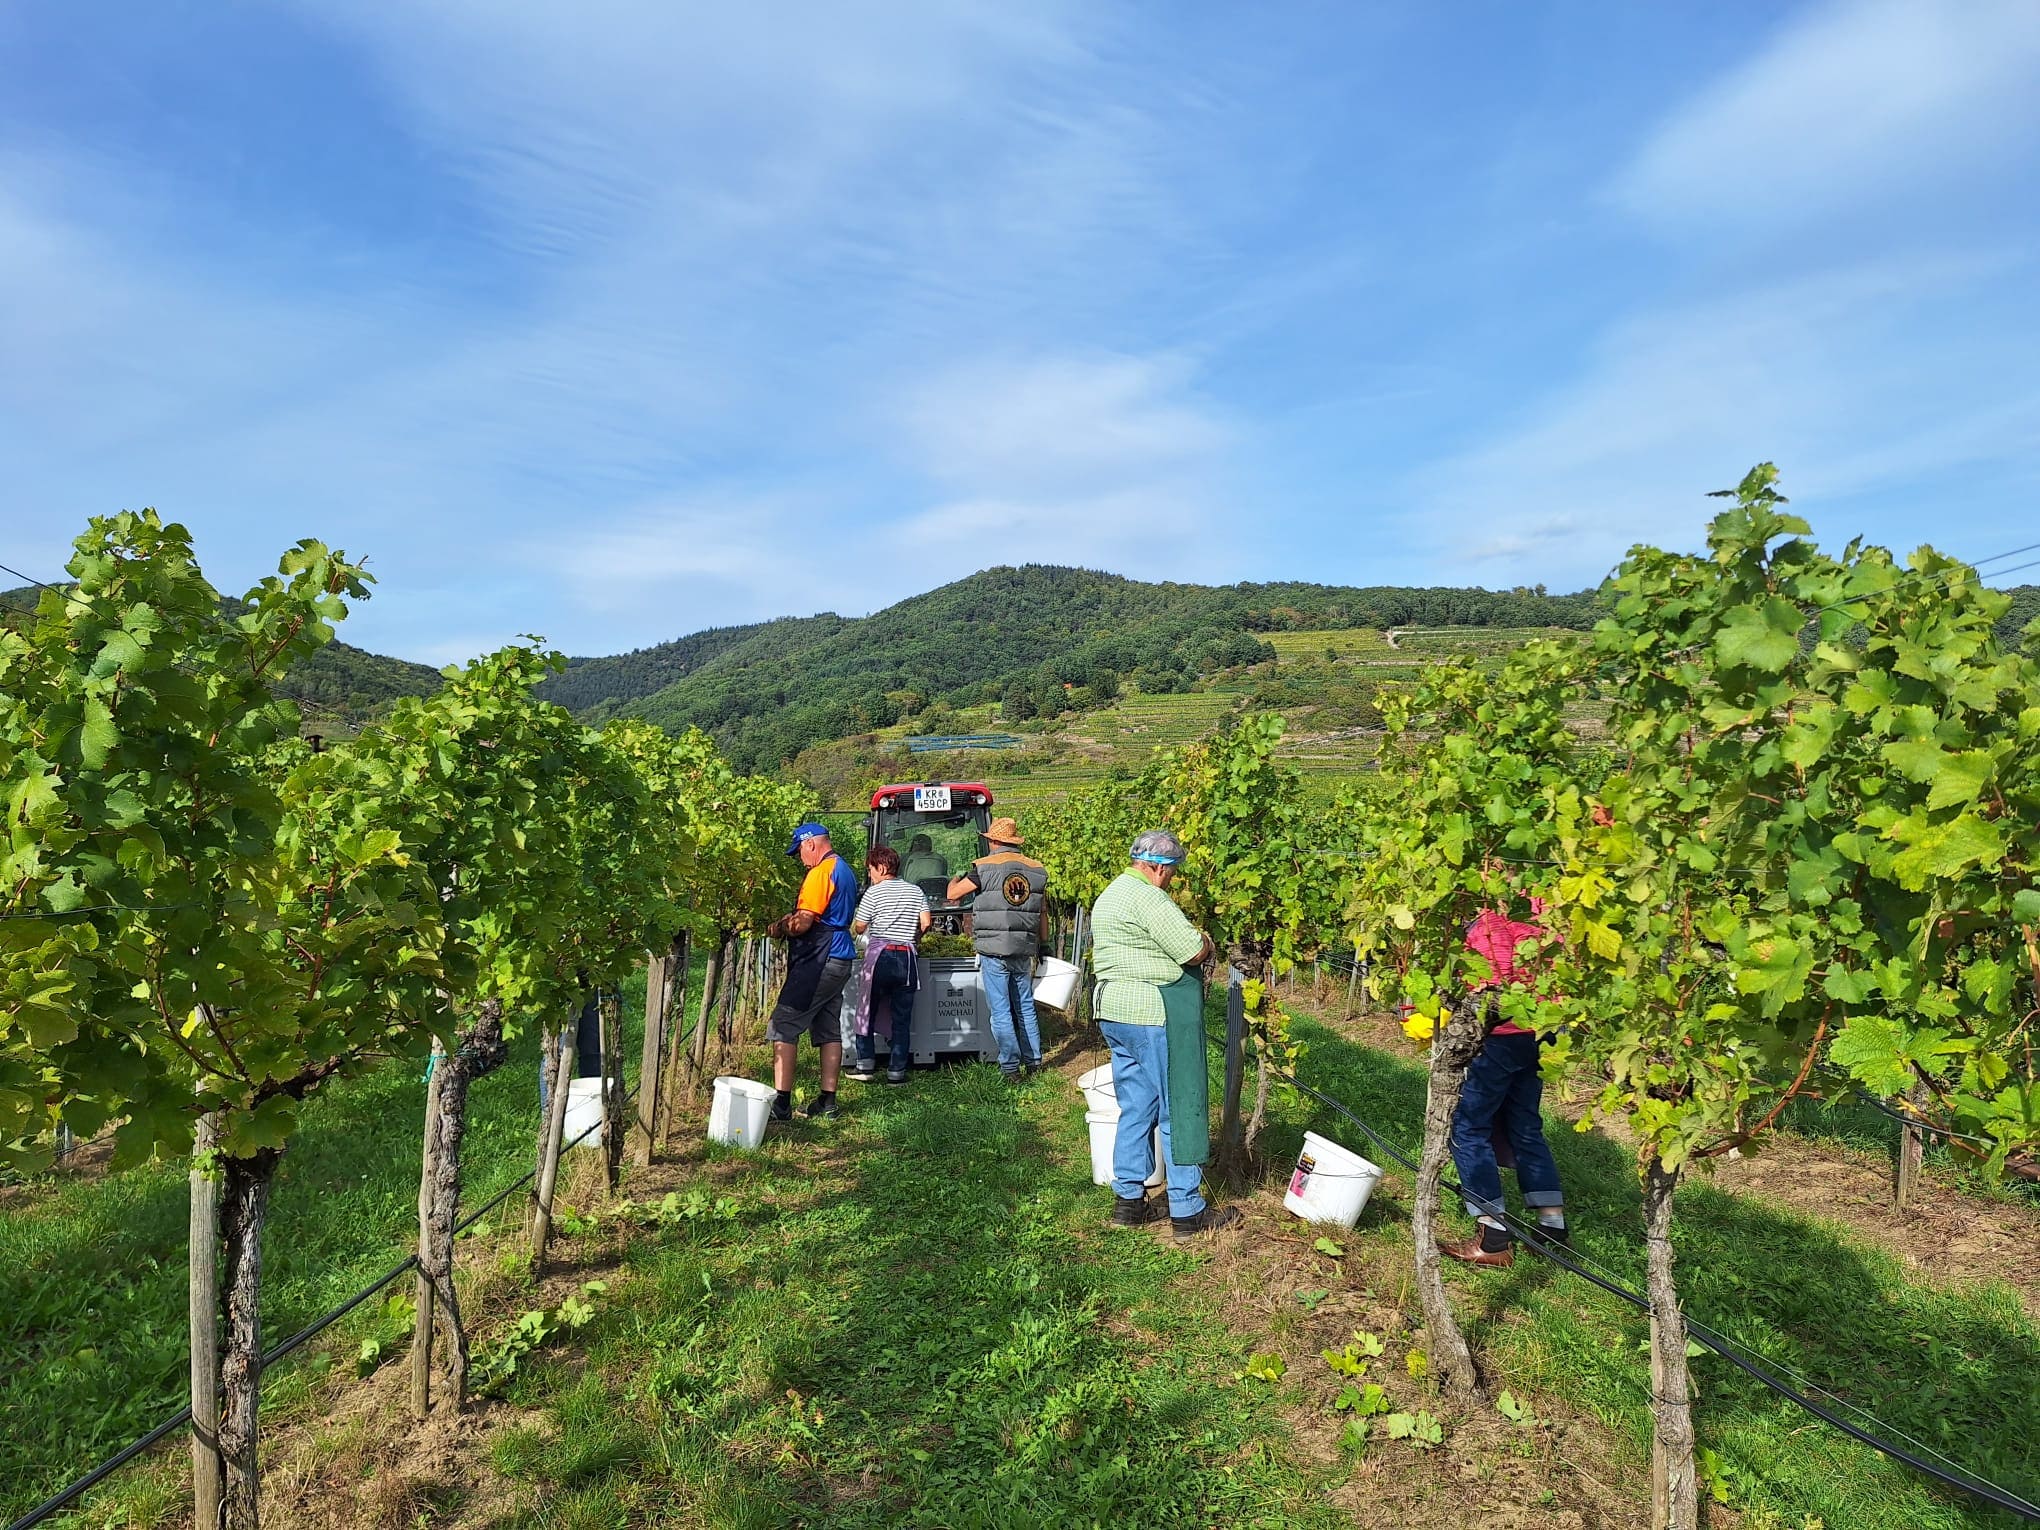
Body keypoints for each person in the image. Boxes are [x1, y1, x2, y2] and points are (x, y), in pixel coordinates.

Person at [1089, 829, 1242, 1240]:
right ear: (1159, 868)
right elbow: (1190, 950)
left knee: (1137, 1105)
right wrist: (1207, 943)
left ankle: (1128, 1201)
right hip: (1153, 1013)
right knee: (1180, 1105)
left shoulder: (1112, 893)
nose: (1172, 881)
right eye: (1173, 873)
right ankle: (1187, 1209)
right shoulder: (1149, 898)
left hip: (1113, 1012)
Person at [1438, 893, 1567, 1268]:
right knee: (1525, 1125)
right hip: (1540, 1032)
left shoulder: (1497, 919)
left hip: (1499, 1035)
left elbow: (1492, 980)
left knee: (1467, 1126)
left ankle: (1493, 1237)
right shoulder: (1547, 909)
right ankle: (1551, 1226)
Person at [764, 822, 860, 1122]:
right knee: (828, 1026)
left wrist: (781, 927)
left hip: (820, 958)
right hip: (841, 956)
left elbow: (805, 922)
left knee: (784, 1024)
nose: (800, 860)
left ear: (810, 844)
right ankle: (827, 1101)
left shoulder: (819, 873)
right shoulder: (845, 869)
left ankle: (781, 1103)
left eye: (799, 853)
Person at [948, 816, 1048, 1079]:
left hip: (993, 949)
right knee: (1025, 1005)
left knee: (1001, 1009)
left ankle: (1010, 1067)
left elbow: (953, 895)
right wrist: (1044, 943)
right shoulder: (1037, 869)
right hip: (1023, 948)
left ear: (993, 840)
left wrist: (954, 878)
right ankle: (1034, 1062)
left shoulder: (983, 867)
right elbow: (1043, 912)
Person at [848, 845, 931, 1085]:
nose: (870, 875)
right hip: (906, 957)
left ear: (882, 868)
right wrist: (914, 936)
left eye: (871, 870)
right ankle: (896, 1071)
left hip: (880, 956)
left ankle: (865, 1064)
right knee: (901, 1017)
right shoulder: (915, 891)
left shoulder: (873, 894)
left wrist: (865, 926)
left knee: (867, 1009)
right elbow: (925, 922)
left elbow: (860, 926)